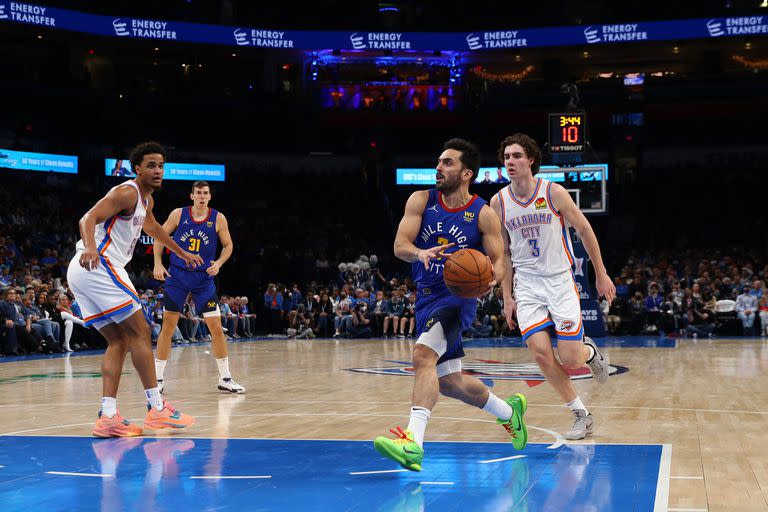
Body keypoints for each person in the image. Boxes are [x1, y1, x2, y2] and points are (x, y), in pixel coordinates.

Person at [373, 138, 527, 473]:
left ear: (467, 172)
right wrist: (420, 253)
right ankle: (509, 412)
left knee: (422, 356)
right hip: (426, 297)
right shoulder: (421, 200)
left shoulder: (482, 214)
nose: (439, 167)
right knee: (449, 382)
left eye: (448, 163)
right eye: (439, 161)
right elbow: (400, 245)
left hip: (458, 299)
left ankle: (412, 443)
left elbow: (500, 261)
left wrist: (491, 279)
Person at [67, 141, 201, 437]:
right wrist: (91, 246)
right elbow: (87, 218)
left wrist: (181, 252)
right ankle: (156, 408)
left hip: (83, 271)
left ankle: (109, 416)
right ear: (137, 169)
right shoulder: (126, 192)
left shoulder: (147, 201)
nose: (158, 170)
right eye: (151, 165)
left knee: (118, 340)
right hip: (98, 264)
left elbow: (153, 229)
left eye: (161, 165)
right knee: (140, 332)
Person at [492, 133, 614, 441]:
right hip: (527, 286)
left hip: (560, 281)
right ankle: (581, 415)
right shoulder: (499, 202)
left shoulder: (553, 192)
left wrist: (601, 274)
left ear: (531, 159)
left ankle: (589, 352)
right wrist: (507, 297)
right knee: (542, 354)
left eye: (516, 156)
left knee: (571, 358)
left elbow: (585, 230)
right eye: (507, 157)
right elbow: (503, 254)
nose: (510, 162)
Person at [152, 181, 245, 394]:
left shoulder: (218, 218)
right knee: (168, 327)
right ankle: (157, 380)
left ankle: (225, 377)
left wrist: (219, 264)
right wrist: (158, 263)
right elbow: (159, 236)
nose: (202, 196)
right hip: (178, 276)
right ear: (192, 196)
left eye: (205, 193)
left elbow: (228, 245)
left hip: (203, 279)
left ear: (209, 197)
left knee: (216, 328)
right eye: (198, 193)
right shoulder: (179, 214)